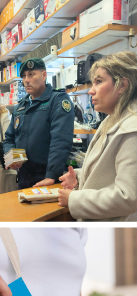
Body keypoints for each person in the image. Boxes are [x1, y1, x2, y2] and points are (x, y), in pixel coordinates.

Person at [57, 51, 137, 221]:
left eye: (99, 82)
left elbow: (128, 197)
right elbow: (109, 174)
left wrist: (74, 199)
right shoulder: (113, 119)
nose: (91, 91)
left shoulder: (132, 128)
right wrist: (79, 177)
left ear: (122, 85)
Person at [3, 57, 74, 189]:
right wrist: (12, 157)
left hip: (47, 177)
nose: (26, 80)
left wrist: (51, 175)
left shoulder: (57, 100)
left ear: (44, 75)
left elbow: (60, 140)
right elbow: (9, 138)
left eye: (31, 74)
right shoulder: (20, 107)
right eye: (24, 76)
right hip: (23, 177)